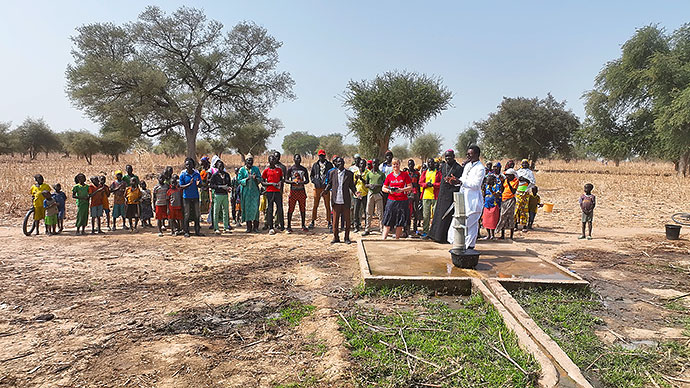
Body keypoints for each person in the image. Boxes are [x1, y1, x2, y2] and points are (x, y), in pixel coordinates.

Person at [448, 146, 485, 248]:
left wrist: (461, 181)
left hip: (473, 201)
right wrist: (455, 181)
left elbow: (476, 185)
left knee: (467, 225)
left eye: (470, 154)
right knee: (467, 225)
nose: (468, 155)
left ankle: (467, 247)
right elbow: (463, 180)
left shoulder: (480, 168)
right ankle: (467, 247)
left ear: (477, 155)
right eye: (467, 154)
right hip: (463, 199)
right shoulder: (468, 166)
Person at [429, 150, 464, 243]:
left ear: (454, 156)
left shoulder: (458, 168)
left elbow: (460, 182)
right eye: (446, 156)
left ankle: (444, 238)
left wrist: (453, 181)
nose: (448, 158)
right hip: (442, 193)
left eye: (450, 156)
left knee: (447, 215)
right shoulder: (443, 166)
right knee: (438, 213)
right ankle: (434, 235)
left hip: (451, 194)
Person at [323, 157, 357, 244]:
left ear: (344, 163)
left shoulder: (349, 174)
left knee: (347, 221)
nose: (340, 164)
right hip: (336, 200)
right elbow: (330, 184)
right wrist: (326, 190)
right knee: (335, 222)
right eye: (338, 162)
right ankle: (336, 237)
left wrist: (355, 192)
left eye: (341, 162)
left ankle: (346, 238)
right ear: (336, 164)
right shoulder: (332, 173)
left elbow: (352, 186)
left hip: (345, 200)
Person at [381, 158, 413, 240]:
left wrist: (402, 190)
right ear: (392, 166)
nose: (395, 166)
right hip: (391, 200)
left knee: (400, 221)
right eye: (394, 164)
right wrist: (389, 191)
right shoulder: (389, 176)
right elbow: (383, 188)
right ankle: (383, 239)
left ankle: (397, 239)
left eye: (397, 164)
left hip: (402, 201)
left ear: (400, 164)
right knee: (387, 220)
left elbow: (410, 187)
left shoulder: (405, 175)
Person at [309, 149, 333, 230]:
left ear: (325, 156)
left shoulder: (329, 165)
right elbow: (311, 175)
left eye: (323, 156)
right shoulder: (315, 165)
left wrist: (328, 185)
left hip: (326, 188)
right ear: (318, 156)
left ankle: (329, 222)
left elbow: (332, 175)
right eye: (320, 156)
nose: (321, 157)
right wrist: (314, 181)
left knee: (327, 205)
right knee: (315, 205)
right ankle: (312, 221)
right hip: (317, 188)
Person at [285, 154, 310, 232]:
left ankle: (303, 225)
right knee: (291, 208)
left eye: (299, 158)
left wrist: (302, 182)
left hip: (301, 191)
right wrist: (292, 182)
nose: (298, 160)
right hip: (293, 191)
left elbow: (307, 180)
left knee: (302, 208)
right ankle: (288, 226)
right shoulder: (290, 169)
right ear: (294, 159)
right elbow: (286, 180)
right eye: (296, 158)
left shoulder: (304, 169)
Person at [238, 154, 262, 233]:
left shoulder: (256, 169)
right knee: (247, 209)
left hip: (255, 192)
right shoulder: (242, 170)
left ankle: (255, 227)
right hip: (246, 192)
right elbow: (239, 180)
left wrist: (256, 179)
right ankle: (249, 227)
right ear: (245, 161)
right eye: (248, 161)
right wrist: (246, 179)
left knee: (255, 209)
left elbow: (260, 179)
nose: (250, 162)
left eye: (251, 161)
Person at [179, 157, 203, 237]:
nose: (188, 166)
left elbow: (200, 185)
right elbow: (181, 186)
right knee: (187, 214)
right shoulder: (183, 175)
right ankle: (186, 231)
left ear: (193, 165)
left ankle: (197, 231)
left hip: (195, 196)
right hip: (186, 197)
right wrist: (189, 184)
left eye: (189, 164)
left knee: (197, 215)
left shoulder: (197, 174)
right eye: (186, 165)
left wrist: (199, 184)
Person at [362, 158, 386, 236]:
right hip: (370, 193)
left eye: (376, 163)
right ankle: (367, 229)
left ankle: (382, 229)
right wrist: (369, 185)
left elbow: (385, 184)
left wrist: (377, 186)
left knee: (380, 213)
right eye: (374, 163)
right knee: (368, 212)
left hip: (378, 193)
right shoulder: (369, 174)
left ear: (378, 164)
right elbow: (366, 184)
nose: (375, 164)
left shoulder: (381, 174)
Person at [262, 155, 284, 235]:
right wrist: (271, 184)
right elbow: (263, 182)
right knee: (270, 209)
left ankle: (282, 226)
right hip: (270, 191)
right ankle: (271, 227)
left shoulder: (279, 170)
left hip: (278, 192)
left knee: (280, 209)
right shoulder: (266, 171)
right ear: (269, 161)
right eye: (271, 160)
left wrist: (280, 185)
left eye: (274, 159)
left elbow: (282, 179)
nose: (272, 161)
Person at [419, 158, 441, 238]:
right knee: (426, 215)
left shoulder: (438, 173)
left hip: (435, 196)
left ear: (434, 163)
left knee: (435, 215)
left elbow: (440, 183)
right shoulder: (425, 172)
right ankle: (425, 232)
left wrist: (434, 185)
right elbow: (420, 182)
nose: (430, 164)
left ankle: (434, 232)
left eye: (431, 163)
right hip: (426, 196)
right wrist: (426, 184)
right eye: (428, 163)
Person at [210, 160, 233, 234]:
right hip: (217, 195)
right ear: (217, 167)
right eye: (219, 166)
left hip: (225, 195)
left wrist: (229, 188)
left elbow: (229, 183)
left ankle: (226, 227)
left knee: (226, 211)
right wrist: (220, 187)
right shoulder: (215, 176)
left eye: (222, 166)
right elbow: (211, 185)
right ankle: (216, 228)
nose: (221, 167)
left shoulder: (227, 175)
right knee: (216, 211)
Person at [496, 168, 518, 240]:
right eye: (507, 176)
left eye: (509, 176)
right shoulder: (505, 181)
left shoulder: (516, 181)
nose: (507, 177)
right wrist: (502, 182)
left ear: (512, 175)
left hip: (511, 199)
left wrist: (508, 182)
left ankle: (511, 236)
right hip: (504, 199)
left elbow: (513, 191)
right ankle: (502, 235)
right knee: (502, 216)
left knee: (510, 217)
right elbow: (503, 190)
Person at [515, 159, 536, 231]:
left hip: (526, 192)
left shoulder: (530, 172)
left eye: (526, 163)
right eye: (523, 163)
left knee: (524, 208)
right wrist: (519, 179)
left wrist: (526, 180)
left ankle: (524, 225)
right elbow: (514, 180)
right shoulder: (517, 172)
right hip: (517, 191)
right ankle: (515, 225)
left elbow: (533, 182)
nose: (524, 164)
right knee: (517, 208)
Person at [482, 174, 502, 240]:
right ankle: (488, 235)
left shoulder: (497, 186)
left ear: (493, 180)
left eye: (489, 180)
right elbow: (484, 195)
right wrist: (484, 191)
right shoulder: (486, 186)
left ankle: (493, 235)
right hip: (487, 204)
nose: (488, 181)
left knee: (493, 221)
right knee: (486, 220)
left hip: (494, 204)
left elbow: (497, 195)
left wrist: (491, 191)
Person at [405, 159, 421, 237]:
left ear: (414, 164)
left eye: (412, 164)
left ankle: (415, 229)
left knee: (415, 211)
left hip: (415, 193)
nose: (410, 165)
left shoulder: (417, 173)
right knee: (407, 211)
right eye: (409, 164)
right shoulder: (405, 173)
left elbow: (419, 183)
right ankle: (407, 228)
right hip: (407, 194)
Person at [272, 151, 288, 230]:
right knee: (269, 207)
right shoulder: (269, 166)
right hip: (270, 190)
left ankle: (277, 222)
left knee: (279, 207)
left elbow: (284, 178)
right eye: (275, 157)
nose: (276, 158)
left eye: (278, 156)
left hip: (279, 189)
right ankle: (267, 223)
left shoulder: (283, 167)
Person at [352, 159, 368, 232]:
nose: (362, 165)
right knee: (356, 211)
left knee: (366, 211)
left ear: (365, 165)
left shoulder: (368, 173)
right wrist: (356, 180)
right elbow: (353, 185)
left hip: (365, 194)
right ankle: (356, 226)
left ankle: (366, 226)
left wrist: (361, 179)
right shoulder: (355, 173)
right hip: (357, 194)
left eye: (363, 164)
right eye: (361, 164)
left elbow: (367, 184)